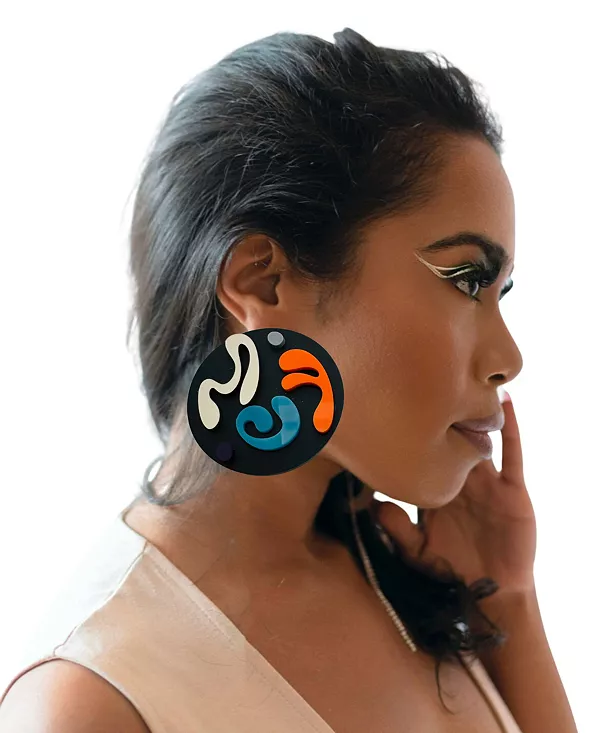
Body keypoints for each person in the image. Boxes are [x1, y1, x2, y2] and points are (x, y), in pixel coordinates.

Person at [0, 27, 577, 733]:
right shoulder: (91, 701)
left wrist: (509, 600)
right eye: (464, 280)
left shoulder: (406, 574)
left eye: (500, 292)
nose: (509, 357)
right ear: (261, 282)